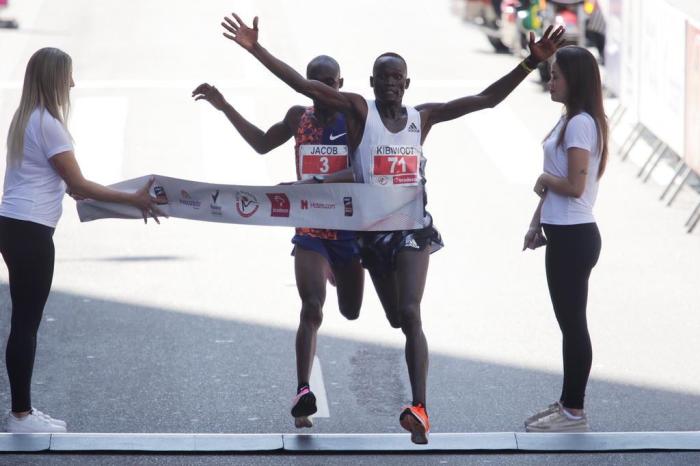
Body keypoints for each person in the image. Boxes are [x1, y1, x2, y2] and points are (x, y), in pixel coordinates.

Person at [220, 13, 565, 444]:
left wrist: (530, 63)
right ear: (369, 82)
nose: (389, 83)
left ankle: (419, 407)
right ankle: (373, 344)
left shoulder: (425, 118)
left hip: (412, 230)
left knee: (411, 313)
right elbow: (304, 88)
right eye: (382, 76)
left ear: (407, 82)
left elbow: (486, 99)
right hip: (370, 237)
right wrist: (255, 49)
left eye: (396, 77)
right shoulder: (360, 114)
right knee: (391, 318)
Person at [192, 55, 364, 429]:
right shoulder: (296, 117)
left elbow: (362, 169)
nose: (320, 91)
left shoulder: (351, 117)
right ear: (306, 83)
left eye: (329, 83)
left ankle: (337, 269)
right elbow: (261, 143)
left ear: (340, 83)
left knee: (351, 311)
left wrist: (317, 184)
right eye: (313, 83)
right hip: (310, 227)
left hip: (348, 229)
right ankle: (303, 393)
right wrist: (226, 108)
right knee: (312, 308)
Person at [1, 47, 162, 433]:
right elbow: (79, 184)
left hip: (13, 223)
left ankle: (22, 410)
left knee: (24, 320)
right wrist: (135, 200)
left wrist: (78, 191)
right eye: (68, 76)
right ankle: (19, 415)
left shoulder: (27, 119)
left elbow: (62, 182)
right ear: (55, 78)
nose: (73, 83)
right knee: (26, 323)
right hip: (31, 230)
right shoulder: (50, 125)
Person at [522, 46, 607, 432]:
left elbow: (573, 186)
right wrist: (536, 222)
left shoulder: (581, 124)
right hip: (563, 232)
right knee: (568, 322)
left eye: (556, 75)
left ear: (576, 81)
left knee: (573, 324)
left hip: (575, 236)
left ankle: (574, 410)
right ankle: (568, 402)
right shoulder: (568, 119)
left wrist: (542, 181)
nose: (550, 80)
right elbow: (557, 182)